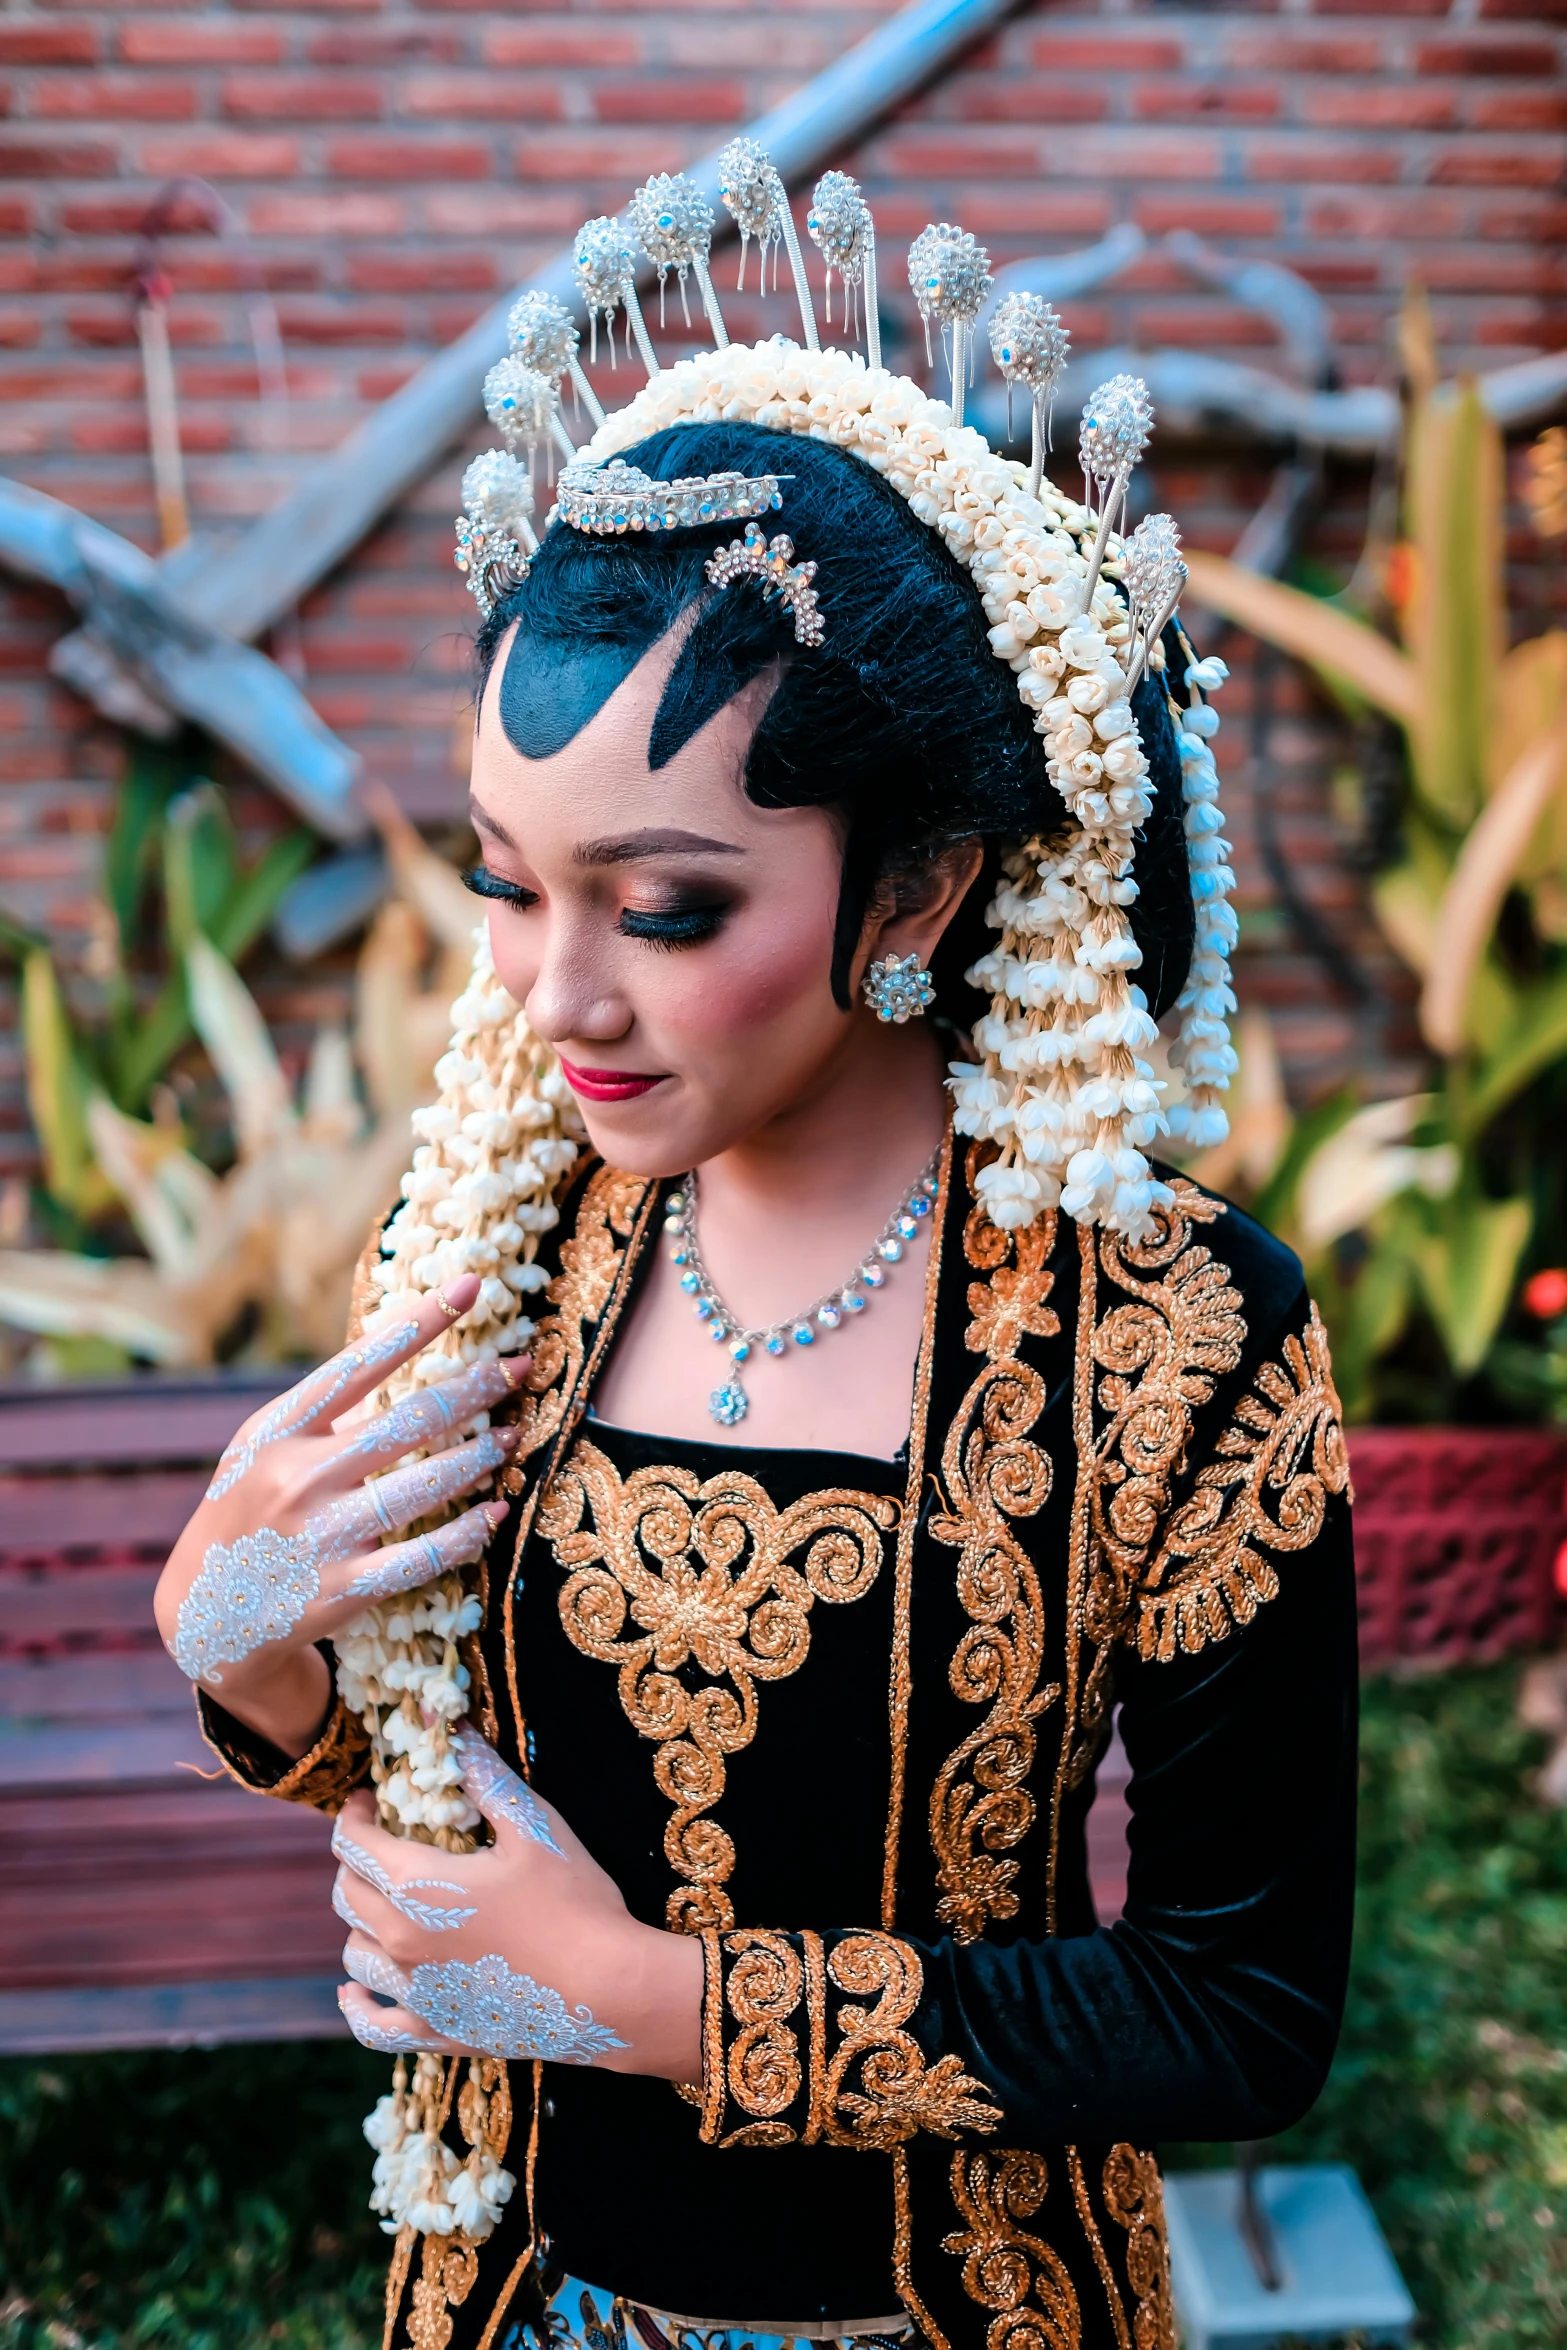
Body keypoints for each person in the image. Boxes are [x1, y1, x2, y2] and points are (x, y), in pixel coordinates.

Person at [155, 189, 1357, 2350]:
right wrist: (249, 1658)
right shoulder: (516, 1242)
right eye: (508, 884)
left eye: (668, 907)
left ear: (918, 885)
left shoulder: (1175, 1333)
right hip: (511, 2291)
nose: (554, 997)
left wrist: (649, 2003)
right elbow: (445, 1785)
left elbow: (1240, 2002)